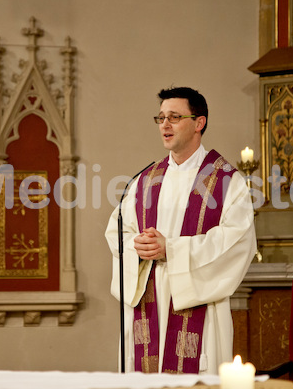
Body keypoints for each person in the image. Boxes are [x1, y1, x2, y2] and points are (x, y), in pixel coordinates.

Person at [105, 87, 256, 375]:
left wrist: (171, 250)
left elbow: (237, 240)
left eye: (174, 117)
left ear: (199, 123)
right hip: (149, 293)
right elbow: (117, 232)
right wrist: (140, 245)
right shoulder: (145, 180)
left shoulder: (225, 180)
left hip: (195, 298)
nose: (165, 124)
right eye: (161, 118)